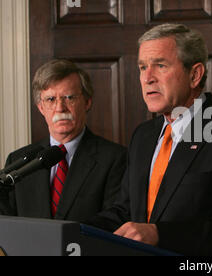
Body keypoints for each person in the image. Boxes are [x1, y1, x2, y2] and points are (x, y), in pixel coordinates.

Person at [87, 23, 212, 256]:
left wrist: (158, 234)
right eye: (142, 67)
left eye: (160, 65)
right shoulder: (143, 136)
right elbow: (125, 212)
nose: (147, 78)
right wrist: (73, 231)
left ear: (194, 75)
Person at [0, 59, 127, 222]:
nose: (60, 108)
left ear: (87, 102)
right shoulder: (18, 161)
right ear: (41, 107)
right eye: (51, 99)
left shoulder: (114, 159)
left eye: (69, 98)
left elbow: (114, 220)